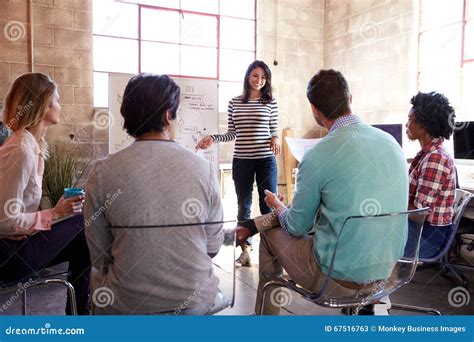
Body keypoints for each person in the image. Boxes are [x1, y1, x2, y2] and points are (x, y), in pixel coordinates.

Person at [236, 69, 409, 315]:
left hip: (337, 282)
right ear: (350, 98)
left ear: (314, 109)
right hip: (390, 274)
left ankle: (266, 323)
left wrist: (277, 205)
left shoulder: (317, 154)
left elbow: (296, 227)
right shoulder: (392, 144)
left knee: (270, 235)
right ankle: (366, 308)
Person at [84, 74, 224, 315]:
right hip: (195, 303)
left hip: (127, 305)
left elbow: (101, 257)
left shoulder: (102, 173)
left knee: (95, 278)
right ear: (169, 115)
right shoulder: (205, 170)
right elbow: (213, 246)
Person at [0, 73, 91, 315]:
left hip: (17, 246)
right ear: (43, 104)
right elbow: (5, 221)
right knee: (83, 225)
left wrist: (59, 213)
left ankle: (80, 317)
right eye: (57, 100)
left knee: (82, 240)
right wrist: (55, 212)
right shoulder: (20, 150)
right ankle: (81, 317)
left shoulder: (31, 146)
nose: (61, 106)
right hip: (7, 255)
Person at [196, 60, 280, 267]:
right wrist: (213, 138)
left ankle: (270, 251)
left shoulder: (271, 102)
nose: (259, 80)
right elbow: (232, 133)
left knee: (268, 205)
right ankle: (246, 251)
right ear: (247, 76)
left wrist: (275, 138)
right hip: (242, 161)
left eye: (263, 77)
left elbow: (274, 130)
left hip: (266, 161)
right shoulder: (235, 102)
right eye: (255, 75)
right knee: (244, 205)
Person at [405, 92, 456, 258]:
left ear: (424, 125)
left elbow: (419, 214)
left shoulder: (435, 158)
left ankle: (374, 281)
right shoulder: (428, 153)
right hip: (420, 230)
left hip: (427, 238)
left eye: (410, 119)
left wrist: (391, 203)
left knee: (369, 237)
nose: (406, 125)